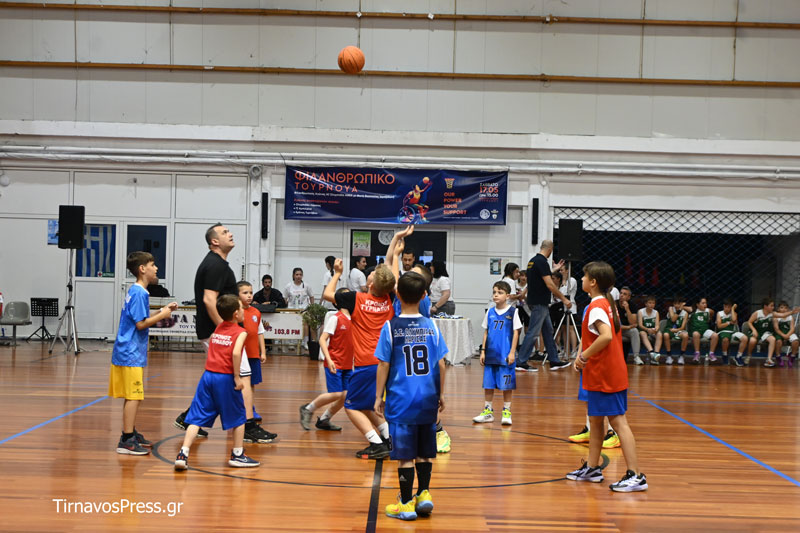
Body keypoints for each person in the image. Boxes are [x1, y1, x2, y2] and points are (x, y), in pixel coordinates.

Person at [567, 261, 647, 492]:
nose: (581, 280)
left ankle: (636, 475)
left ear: (593, 282)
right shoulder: (603, 303)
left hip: (607, 374)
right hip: (600, 373)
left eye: (584, 277)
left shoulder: (597, 307)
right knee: (595, 420)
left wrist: (583, 356)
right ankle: (592, 468)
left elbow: (606, 336)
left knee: (618, 422)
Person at [375, 271, 448, 521]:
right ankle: (424, 494)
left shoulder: (390, 327)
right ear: (425, 295)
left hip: (401, 400)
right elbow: (441, 364)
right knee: (424, 452)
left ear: (397, 295)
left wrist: (378, 397)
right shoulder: (432, 326)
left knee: (405, 455)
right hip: (427, 398)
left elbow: (383, 364)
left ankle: (406, 504)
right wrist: (441, 393)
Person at [174, 294, 260, 470]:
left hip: (208, 376)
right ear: (236, 314)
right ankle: (237, 455)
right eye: (241, 308)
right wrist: (237, 377)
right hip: (225, 378)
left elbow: (214, 343)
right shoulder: (241, 332)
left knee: (196, 417)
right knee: (240, 416)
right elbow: (236, 353)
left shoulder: (218, 327)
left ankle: (183, 453)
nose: (243, 311)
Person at [323, 258, 395, 459]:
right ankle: (389, 438)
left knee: (351, 406)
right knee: (368, 405)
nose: (369, 273)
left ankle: (376, 443)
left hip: (366, 363)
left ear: (371, 284)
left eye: (371, 274)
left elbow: (327, 294)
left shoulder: (357, 299)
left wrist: (337, 273)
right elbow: (392, 274)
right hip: (385, 363)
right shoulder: (390, 299)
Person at [387, 227, 450, 454]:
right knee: (408, 397)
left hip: (413, 345)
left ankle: (438, 430)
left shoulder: (418, 300)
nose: (408, 275)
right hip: (405, 347)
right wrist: (396, 246)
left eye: (413, 273)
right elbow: (392, 270)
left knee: (417, 395)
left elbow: (393, 273)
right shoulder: (411, 294)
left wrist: (396, 245)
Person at [110, 251, 178, 455]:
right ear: (142, 269)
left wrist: (161, 311)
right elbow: (140, 324)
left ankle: (130, 431)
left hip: (127, 351)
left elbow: (139, 318)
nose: (156, 268)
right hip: (130, 353)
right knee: (134, 396)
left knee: (132, 396)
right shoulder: (140, 293)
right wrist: (163, 315)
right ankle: (127, 440)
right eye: (152, 264)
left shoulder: (136, 291)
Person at [175, 223, 238, 437]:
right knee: (227, 379)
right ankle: (244, 424)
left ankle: (189, 418)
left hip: (214, 332)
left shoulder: (217, 263)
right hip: (215, 332)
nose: (230, 234)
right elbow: (209, 300)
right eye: (225, 232)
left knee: (219, 379)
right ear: (214, 241)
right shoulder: (215, 265)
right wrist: (225, 329)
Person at [299, 288, 353, 431]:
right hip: (334, 362)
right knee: (336, 394)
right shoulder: (336, 318)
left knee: (346, 395)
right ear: (338, 302)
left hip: (348, 364)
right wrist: (328, 360)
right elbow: (323, 339)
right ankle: (308, 408)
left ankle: (324, 419)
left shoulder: (354, 318)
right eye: (346, 295)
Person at [516, 240, 572, 372]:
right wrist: (564, 299)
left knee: (547, 331)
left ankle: (554, 360)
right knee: (533, 332)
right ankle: (521, 361)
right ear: (550, 249)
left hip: (537, 301)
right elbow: (550, 284)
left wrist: (554, 270)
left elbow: (538, 278)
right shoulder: (542, 262)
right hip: (539, 302)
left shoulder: (533, 261)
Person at [473, 281, 522, 426]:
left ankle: (506, 411)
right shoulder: (490, 312)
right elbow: (486, 332)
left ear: (507, 296)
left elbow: (516, 333)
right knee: (488, 384)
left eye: (500, 293)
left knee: (507, 385)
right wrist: (483, 351)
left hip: (505, 355)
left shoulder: (513, 312)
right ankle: (488, 411)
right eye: (494, 292)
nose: (496, 295)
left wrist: (512, 352)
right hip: (491, 354)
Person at [237, 281, 276, 444]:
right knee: (240, 384)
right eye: (245, 293)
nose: (249, 296)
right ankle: (241, 412)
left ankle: (250, 409)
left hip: (253, 354)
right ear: (237, 295)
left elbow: (260, 332)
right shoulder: (236, 313)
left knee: (251, 384)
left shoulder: (256, 312)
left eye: (251, 292)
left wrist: (263, 351)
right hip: (240, 355)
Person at [742, 298, 798, 367]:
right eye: (771, 306)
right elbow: (749, 322)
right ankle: (748, 355)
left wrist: (792, 312)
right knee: (752, 341)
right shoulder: (757, 313)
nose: (773, 307)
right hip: (756, 331)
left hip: (765, 332)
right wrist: (754, 330)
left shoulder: (772, 314)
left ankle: (769, 359)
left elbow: (783, 315)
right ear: (765, 306)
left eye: (773, 306)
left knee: (772, 339)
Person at [687, 297, 719, 364]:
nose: (705, 304)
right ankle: (697, 354)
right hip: (695, 331)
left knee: (715, 335)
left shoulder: (707, 311)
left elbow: (712, 312)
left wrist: (709, 317)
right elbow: (683, 308)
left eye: (705, 303)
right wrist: (682, 305)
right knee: (696, 334)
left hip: (704, 330)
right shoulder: (693, 310)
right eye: (703, 303)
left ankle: (711, 354)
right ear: (697, 304)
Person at [660, 295, 689, 365]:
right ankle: (669, 355)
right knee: (666, 335)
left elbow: (683, 327)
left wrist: (676, 330)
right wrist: (679, 311)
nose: (676, 305)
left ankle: (681, 355)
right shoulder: (671, 309)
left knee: (685, 335)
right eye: (675, 303)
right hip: (669, 329)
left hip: (679, 330)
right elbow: (673, 319)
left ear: (682, 304)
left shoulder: (685, 313)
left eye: (679, 303)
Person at [716, 299, 746, 364]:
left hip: (733, 332)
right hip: (723, 332)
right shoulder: (719, 313)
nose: (726, 309)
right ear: (723, 306)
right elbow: (719, 326)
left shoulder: (734, 313)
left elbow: (734, 320)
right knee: (725, 339)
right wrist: (729, 323)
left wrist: (732, 309)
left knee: (744, 338)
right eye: (725, 307)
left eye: (729, 307)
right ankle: (725, 355)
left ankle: (738, 356)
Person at [617, 287, 641, 365]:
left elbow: (632, 322)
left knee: (635, 331)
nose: (621, 295)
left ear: (629, 297)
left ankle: (636, 357)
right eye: (621, 293)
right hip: (616, 330)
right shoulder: (614, 304)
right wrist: (628, 327)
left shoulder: (632, 305)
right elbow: (615, 324)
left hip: (626, 331)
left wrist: (627, 309)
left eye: (624, 294)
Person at [637, 295, 663, 364]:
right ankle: (651, 352)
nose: (651, 305)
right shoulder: (641, 311)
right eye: (650, 303)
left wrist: (656, 329)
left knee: (659, 334)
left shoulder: (656, 312)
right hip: (644, 330)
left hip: (652, 330)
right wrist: (647, 329)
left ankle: (656, 353)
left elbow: (657, 325)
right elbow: (640, 325)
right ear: (646, 304)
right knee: (643, 334)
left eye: (653, 303)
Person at [774, 301, 800, 367]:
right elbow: (776, 329)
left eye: (785, 308)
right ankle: (778, 357)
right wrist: (783, 335)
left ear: (788, 309)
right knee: (778, 341)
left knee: (796, 341)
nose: (784, 309)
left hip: (789, 332)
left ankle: (792, 357)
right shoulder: (776, 316)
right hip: (780, 333)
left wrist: (787, 335)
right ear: (778, 309)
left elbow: (792, 328)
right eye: (782, 307)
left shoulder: (790, 317)